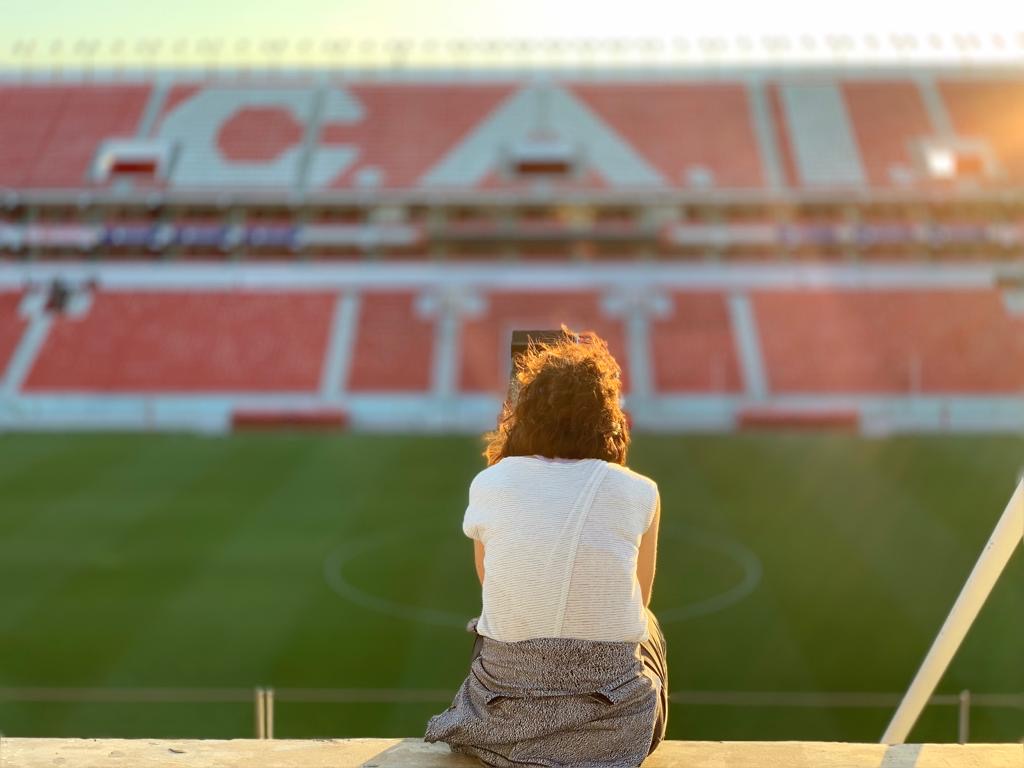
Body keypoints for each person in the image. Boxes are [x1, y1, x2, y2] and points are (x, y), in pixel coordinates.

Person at [424, 326, 667, 768]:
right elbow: (639, 601)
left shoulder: (490, 483)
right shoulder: (641, 490)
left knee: (490, 621)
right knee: (645, 621)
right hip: (616, 731)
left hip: (500, 718)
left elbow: (493, 585)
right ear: (608, 416)